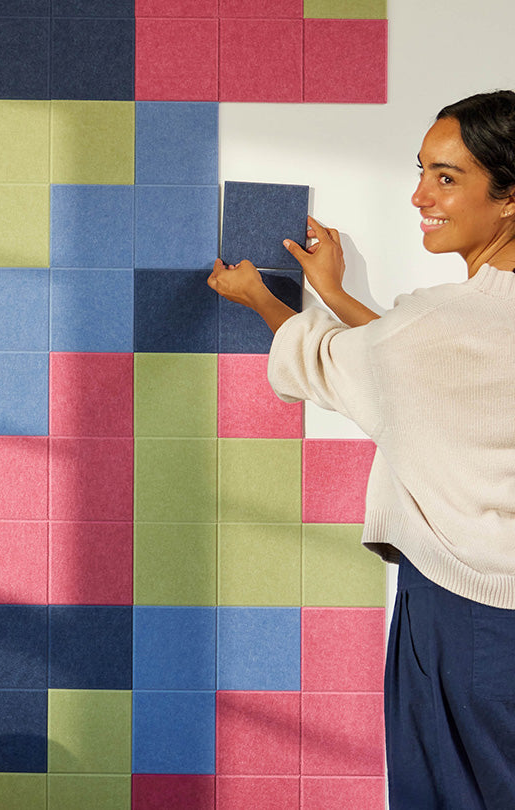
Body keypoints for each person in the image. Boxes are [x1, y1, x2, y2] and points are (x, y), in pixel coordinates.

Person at [207, 90, 515, 809]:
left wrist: (261, 299)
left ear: (508, 198)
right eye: (421, 171)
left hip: (460, 614)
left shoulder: (440, 322)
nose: (419, 195)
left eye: (447, 177)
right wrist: (336, 294)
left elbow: (333, 365)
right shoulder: (451, 330)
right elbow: (412, 372)